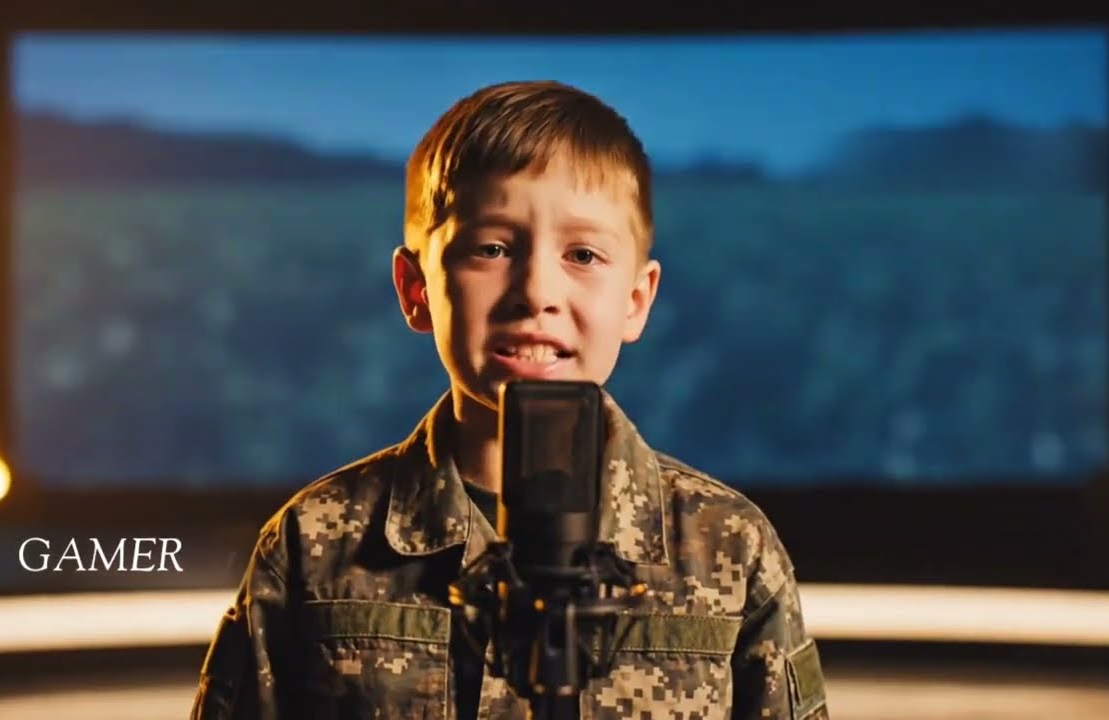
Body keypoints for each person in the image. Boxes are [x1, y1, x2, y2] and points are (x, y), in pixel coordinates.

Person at [191, 80, 829, 719]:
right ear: (416, 288)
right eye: (491, 249)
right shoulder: (315, 545)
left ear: (636, 300)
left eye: (582, 254)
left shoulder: (731, 548)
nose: (536, 291)